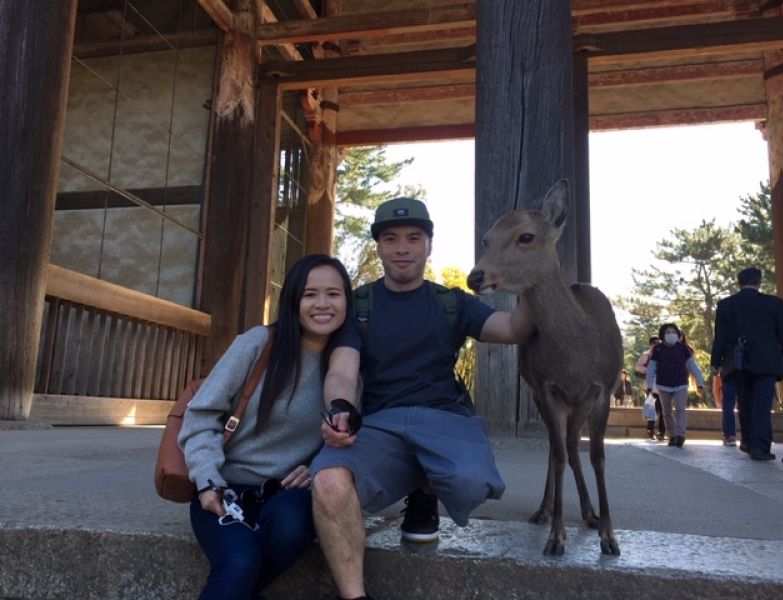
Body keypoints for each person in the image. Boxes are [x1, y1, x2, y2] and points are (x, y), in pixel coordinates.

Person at [310, 197, 537, 600]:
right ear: (378, 246)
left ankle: (426, 488)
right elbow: (342, 371)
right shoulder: (360, 305)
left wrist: (533, 280)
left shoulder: (451, 302)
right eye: (391, 238)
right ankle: (354, 595)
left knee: (471, 484)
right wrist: (340, 408)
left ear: (428, 245)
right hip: (382, 425)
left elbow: (513, 328)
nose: (403, 248)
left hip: (444, 418)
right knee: (327, 482)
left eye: (414, 238)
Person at [178, 255, 353, 600]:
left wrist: (317, 466)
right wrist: (207, 481)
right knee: (240, 560)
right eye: (309, 294)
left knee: (291, 527)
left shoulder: (349, 370)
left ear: (347, 300)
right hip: (225, 486)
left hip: (288, 493)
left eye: (333, 294)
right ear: (293, 300)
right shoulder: (258, 343)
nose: (322, 304)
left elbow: (351, 437)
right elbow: (201, 415)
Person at [711, 267, 783, 461]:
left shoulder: (726, 305)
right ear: (759, 282)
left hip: (738, 362)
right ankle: (761, 446)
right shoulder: (774, 303)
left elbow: (720, 337)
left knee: (745, 402)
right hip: (766, 362)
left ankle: (748, 441)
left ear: (738, 282)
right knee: (762, 405)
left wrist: (715, 362)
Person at [646, 323, 705, 448]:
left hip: (681, 384)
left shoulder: (683, 348)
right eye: (667, 332)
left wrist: (700, 382)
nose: (670, 334)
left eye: (673, 332)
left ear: (678, 334)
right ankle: (671, 435)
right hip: (663, 385)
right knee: (666, 411)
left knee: (680, 409)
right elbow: (651, 368)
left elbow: (692, 366)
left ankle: (680, 435)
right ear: (662, 335)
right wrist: (650, 385)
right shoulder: (657, 349)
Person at [635, 335, 665, 440]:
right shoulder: (646, 355)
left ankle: (662, 432)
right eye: (654, 343)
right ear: (651, 344)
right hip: (650, 386)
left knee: (662, 410)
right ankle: (650, 429)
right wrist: (648, 370)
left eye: (658, 342)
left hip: (663, 386)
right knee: (652, 408)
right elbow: (637, 367)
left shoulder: (664, 353)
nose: (656, 344)